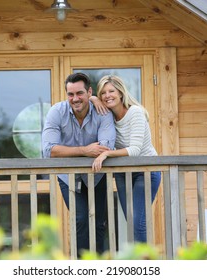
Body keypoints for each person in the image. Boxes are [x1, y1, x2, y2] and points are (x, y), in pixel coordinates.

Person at [42, 72, 116, 255]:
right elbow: (49, 150)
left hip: (98, 174)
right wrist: (85, 150)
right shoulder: (56, 112)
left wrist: (67, 151)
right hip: (69, 177)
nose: (75, 99)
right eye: (70, 94)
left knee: (99, 222)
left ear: (89, 92)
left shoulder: (102, 112)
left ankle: (97, 266)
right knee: (81, 219)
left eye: (80, 93)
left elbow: (105, 147)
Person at [91, 75, 161, 243]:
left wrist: (106, 153)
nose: (107, 95)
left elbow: (135, 150)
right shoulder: (107, 118)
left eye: (111, 91)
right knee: (131, 222)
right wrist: (93, 98)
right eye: (103, 93)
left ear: (121, 93)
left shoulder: (135, 113)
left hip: (146, 171)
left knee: (138, 223)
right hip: (123, 173)